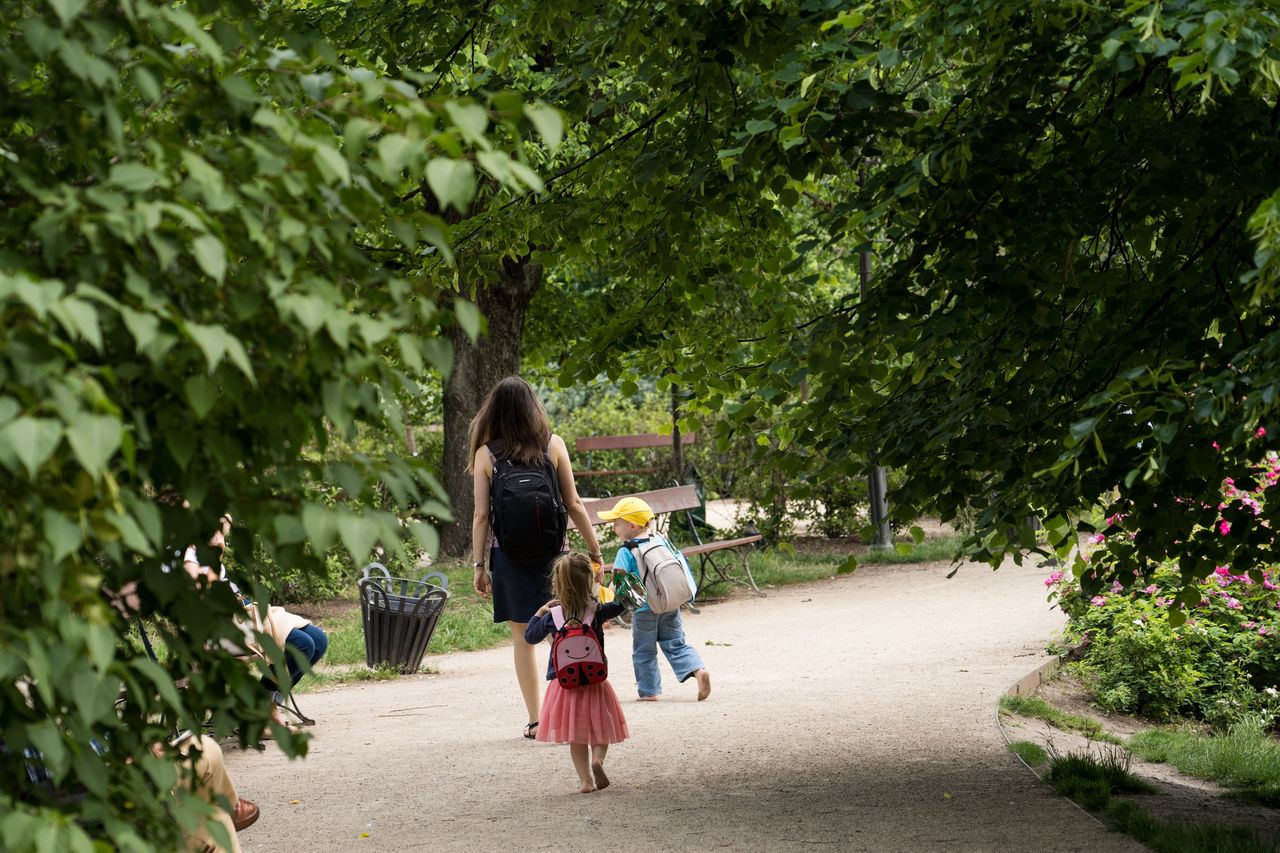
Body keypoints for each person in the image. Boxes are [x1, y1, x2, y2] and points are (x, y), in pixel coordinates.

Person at [468, 376, 605, 739]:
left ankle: (537, 720)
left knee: (522, 637)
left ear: (493, 412)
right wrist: (594, 552)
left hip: (508, 556)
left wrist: (479, 566)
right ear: (533, 407)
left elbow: (481, 516)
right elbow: (573, 503)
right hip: (554, 555)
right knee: (565, 627)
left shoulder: (486, 455)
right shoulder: (553, 445)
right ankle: (581, 706)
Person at [173, 508, 327, 722]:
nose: (222, 541)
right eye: (218, 533)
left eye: (223, 536)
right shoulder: (189, 555)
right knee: (303, 645)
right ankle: (264, 707)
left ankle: (265, 702)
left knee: (319, 640)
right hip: (224, 627)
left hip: (244, 614)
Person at [523, 553, 629, 793]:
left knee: (576, 736)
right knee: (600, 728)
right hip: (595, 680)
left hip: (564, 684)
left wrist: (540, 612)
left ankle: (585, 780)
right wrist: (621, 581)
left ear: (556, 585)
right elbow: (624, 603)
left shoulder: (553, 616)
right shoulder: (596, 610)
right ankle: (598, 761)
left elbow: (529, 637)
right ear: (590, 582)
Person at [600, 497, 712, 702]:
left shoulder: (626, 551)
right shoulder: (660, 540)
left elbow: (617, 583)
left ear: (632, 525)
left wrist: (605, 608)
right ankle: (698, 670)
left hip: (644, 611)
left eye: (616, 523)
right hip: (670, 604)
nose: (613, 527)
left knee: (644, 652)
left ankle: (649, 691)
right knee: (676, 643)